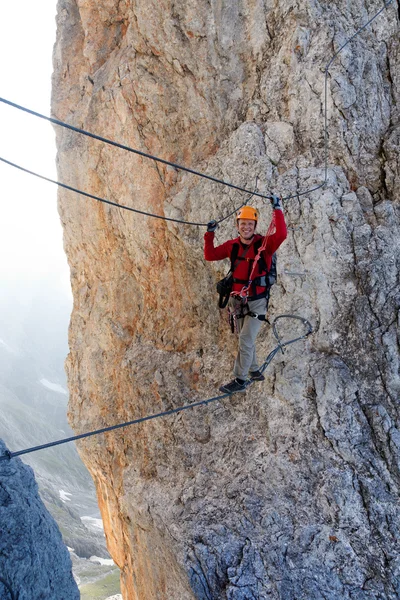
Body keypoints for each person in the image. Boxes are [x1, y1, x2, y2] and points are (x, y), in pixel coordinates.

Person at [204, 196, 287, 394]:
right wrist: (210, 234)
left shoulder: (264, 245)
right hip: (238, 301)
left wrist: (277, 209)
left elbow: (282, 234)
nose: (246, 227)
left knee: (245, 340)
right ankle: (254, 369)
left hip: (257, 302)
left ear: (255, 225)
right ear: (237, 225)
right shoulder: (232, 246)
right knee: (245, 338)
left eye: (250, 224)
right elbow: (210, 255)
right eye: (243, 224)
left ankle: (240, 380)